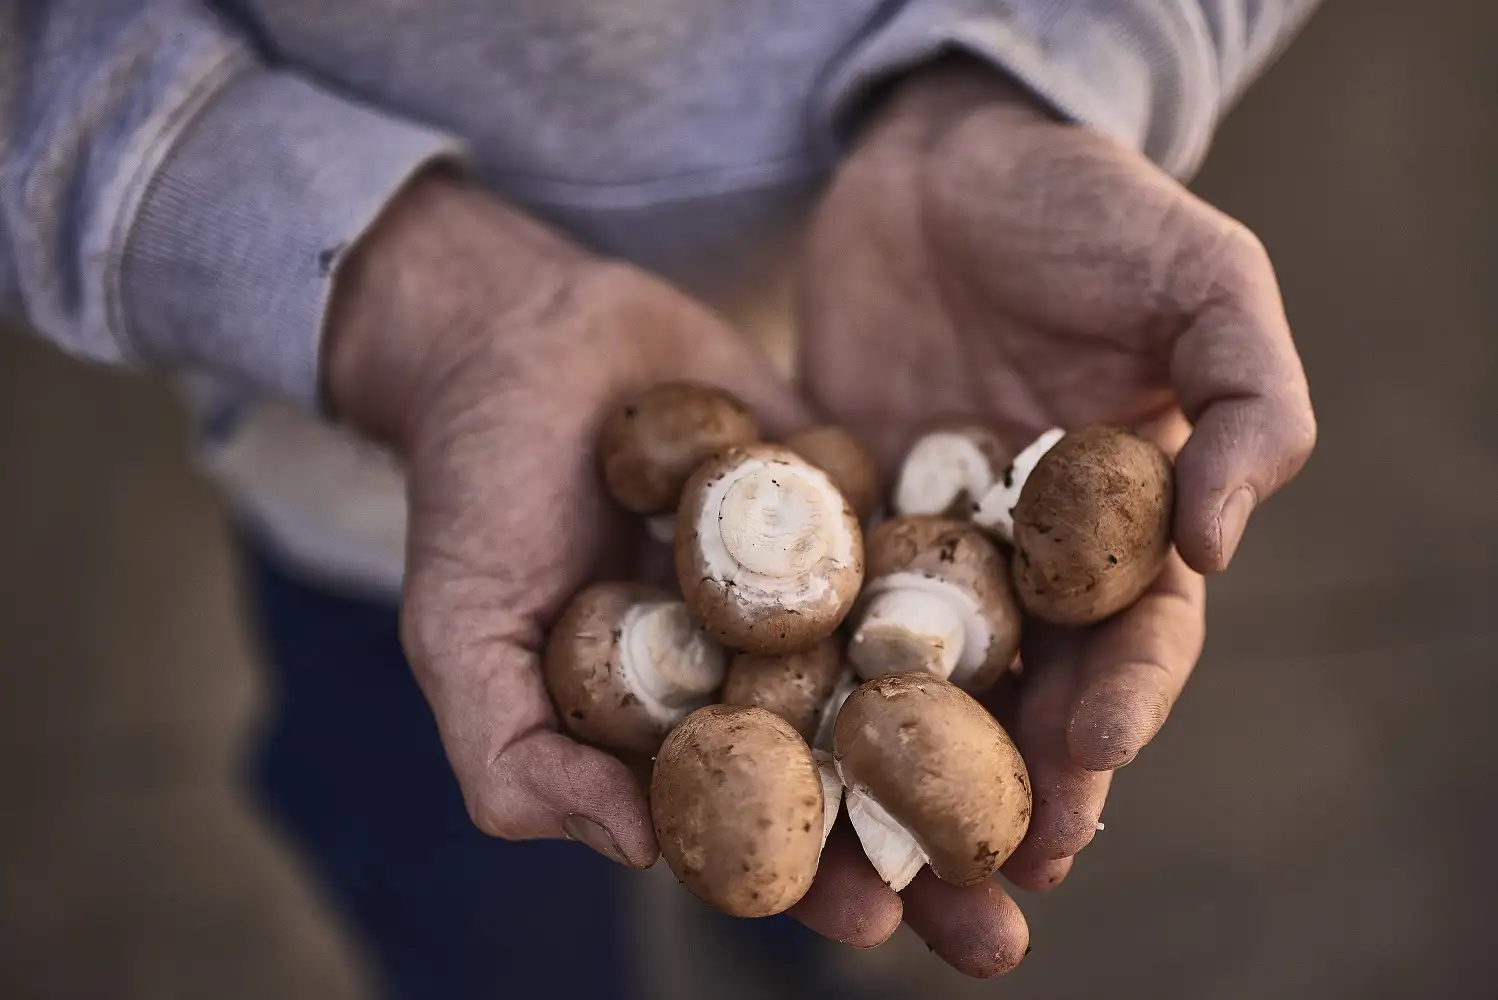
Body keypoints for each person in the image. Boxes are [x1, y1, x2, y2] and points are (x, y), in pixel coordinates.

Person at [1, 2, 1323, 996]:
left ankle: (783, 947)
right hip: (368, 510)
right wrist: (394, 295)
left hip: (903, 292)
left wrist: (1051, 67)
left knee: (806, 903)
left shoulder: (893, 592)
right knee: (473, 912)